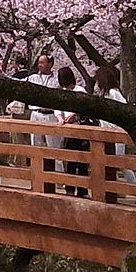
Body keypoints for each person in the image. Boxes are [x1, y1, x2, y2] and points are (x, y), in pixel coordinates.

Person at [94, 65, 136, 185]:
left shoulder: (113, 93)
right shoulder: (104, 94)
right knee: (108, 160)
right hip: (106, 131)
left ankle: (135, 186)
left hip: (116, 131)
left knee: (119, 160)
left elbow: (124, 109)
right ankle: (115, 187)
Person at [55, 66, 93, 197]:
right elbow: (57, 109)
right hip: (68, 130)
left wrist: (73, 115)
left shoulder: (80, 91)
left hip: (80, 129)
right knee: (70, 161)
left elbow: (85, 108)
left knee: (82, 161)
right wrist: (60, 118)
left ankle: (83, 190)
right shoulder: (61, 92)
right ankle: (69, 189)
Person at [26, 53, 62, 187]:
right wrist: (1, 73)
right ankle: (36, 176)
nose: (40, 65)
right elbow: (17, 82)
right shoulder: (33, 78)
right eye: (39, 62)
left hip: (51, 114)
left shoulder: (57, 80)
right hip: (35, 114)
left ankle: (58, 179)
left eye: (43, 62)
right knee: (36, 146)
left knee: (54, 147)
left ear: (50, 64)